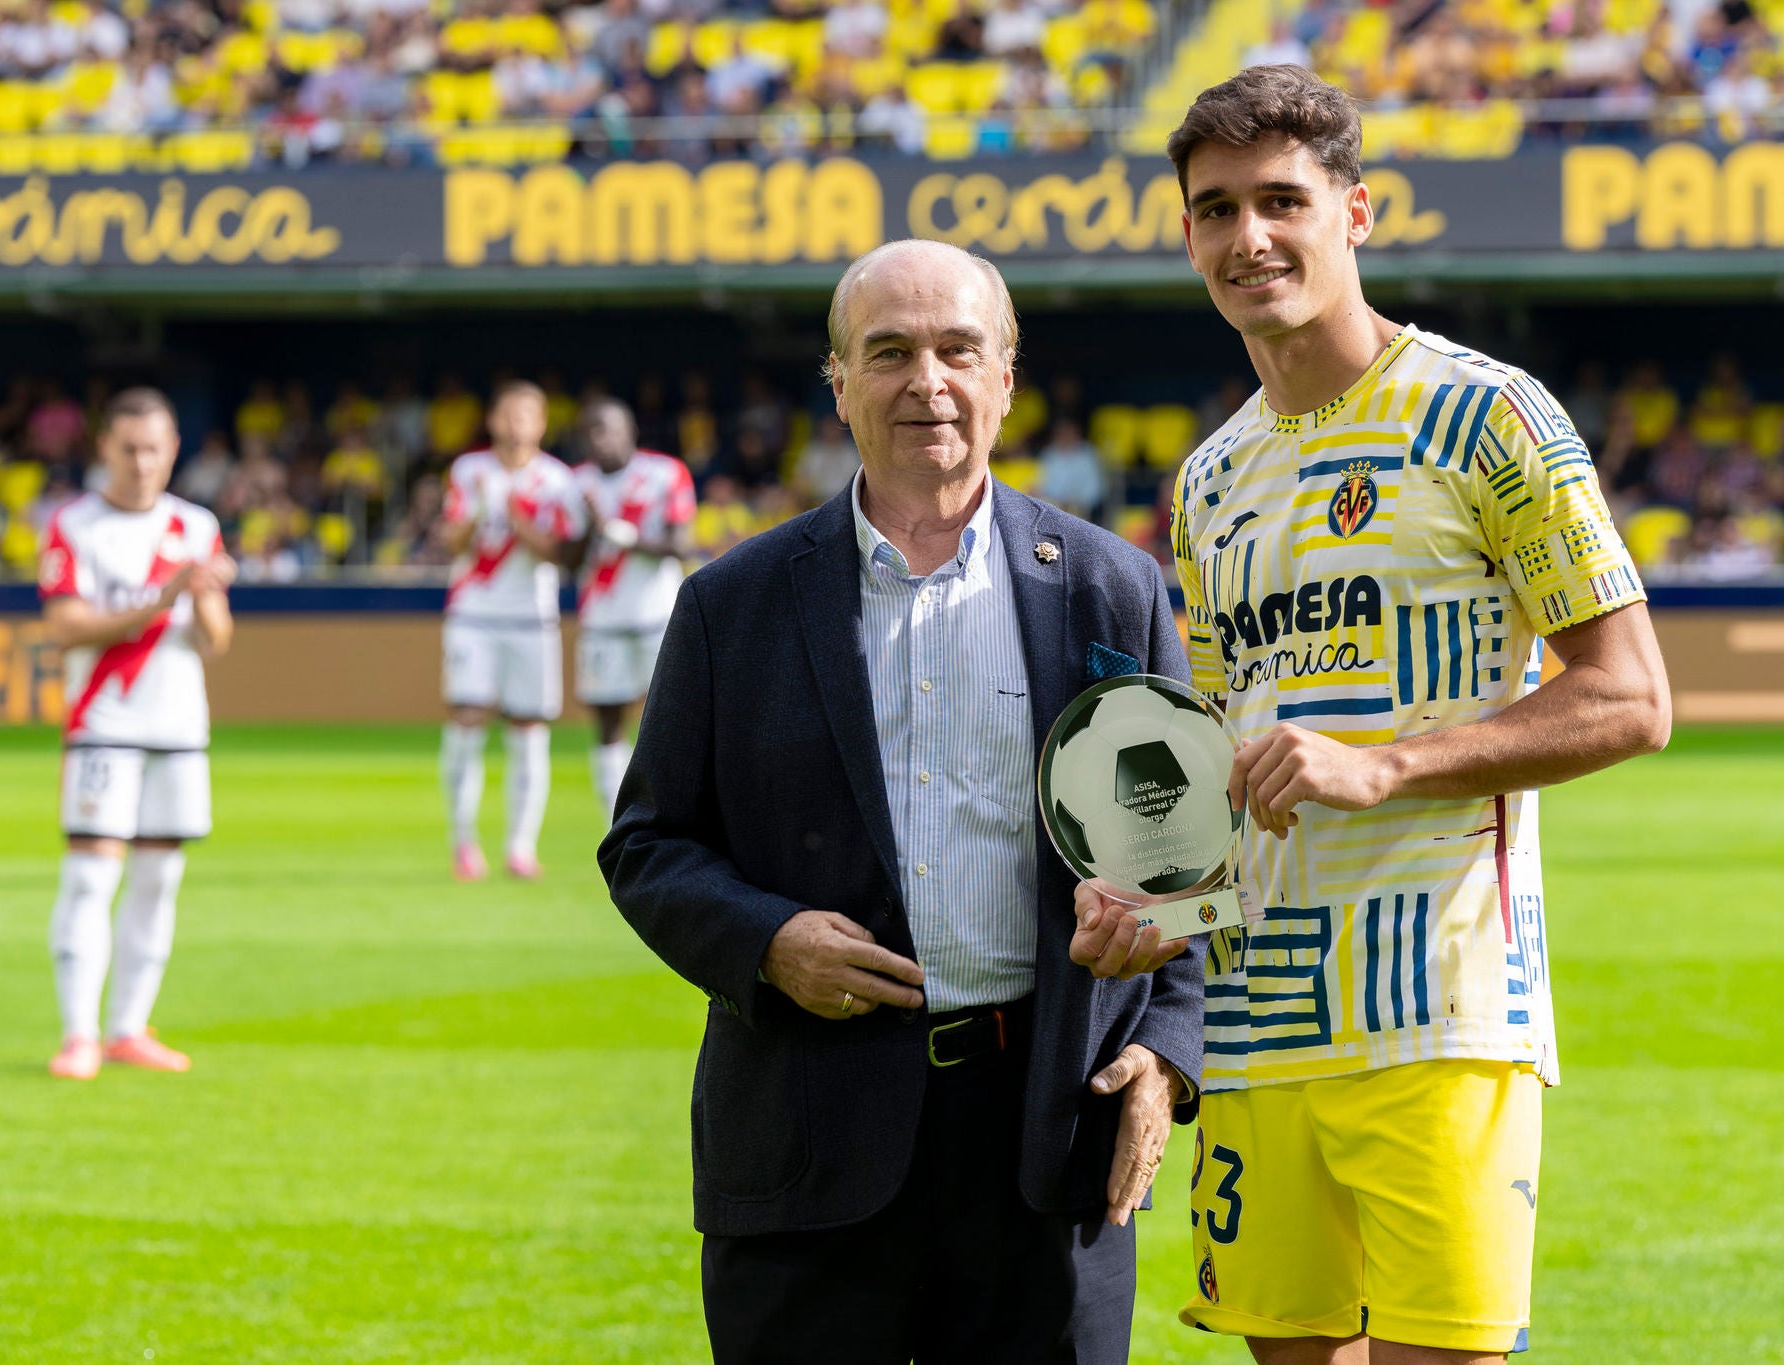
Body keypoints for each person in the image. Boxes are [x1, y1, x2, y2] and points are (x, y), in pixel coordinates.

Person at [1071, 67, 1672, 1364]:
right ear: (1187, 233)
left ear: (1357, 210)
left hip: (1442, 1008)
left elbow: (1631, 698)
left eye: (1282, 200)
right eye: (1216, 209)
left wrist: (1388, 765)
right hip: (1257, 1019)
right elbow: (1236, 774)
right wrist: (1150, 910)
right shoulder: (1211, 480)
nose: (1250, 238)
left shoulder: (1487, 416)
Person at [598, 238, 1205, 1365]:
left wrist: (1165, 1053)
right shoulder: (730, 606)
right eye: (888, 352)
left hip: (1043, 1136)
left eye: (956, 349)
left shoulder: (1107, 586)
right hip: (806, 1140)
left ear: (1005, 376)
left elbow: (1177, 860)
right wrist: (767, 941)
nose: (927, 381)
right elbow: (647, 844)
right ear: (837, 383)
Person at [38, 387, 237, 1081]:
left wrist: (206, 591)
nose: (143, 462)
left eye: (154, 448)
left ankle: (128, 1026)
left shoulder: (196, 523)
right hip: (104, 722)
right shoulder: (74, 524)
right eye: (129, 448)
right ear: (104, 448)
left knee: (159, 877)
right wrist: (163, 594)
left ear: (173, 449)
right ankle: (76, 1033)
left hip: (179, 723)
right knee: (91, 874)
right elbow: (66, 628)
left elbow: (217, 641)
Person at [436, 381, 577, 882]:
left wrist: (520, 522)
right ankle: (463, 843)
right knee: (467, 718)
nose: (517, 425)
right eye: (508, 415)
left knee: (529, 727)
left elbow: (563, 555)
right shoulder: (468, 471)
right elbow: (451, 542)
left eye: (527, 416)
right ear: (493, 420)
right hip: (473, 613)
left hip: (531, 619)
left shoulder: (557, 481)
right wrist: (477, 513)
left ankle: (521, 846)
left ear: (541, 424)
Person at [569, 397, 696, 818]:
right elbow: (568, 561)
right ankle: (616, 821)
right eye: (593, 431)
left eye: (610, 428)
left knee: (677, 721)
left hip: (658, 619)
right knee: (607, 723)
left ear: (631, 431)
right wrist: (591, 532)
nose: (602, 439)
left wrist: (625, 536)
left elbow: (681, 544)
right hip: (602, 619)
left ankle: (681, 814)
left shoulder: (664, 474)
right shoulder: (575, 483)